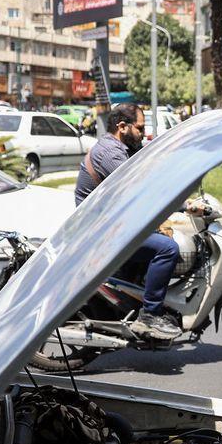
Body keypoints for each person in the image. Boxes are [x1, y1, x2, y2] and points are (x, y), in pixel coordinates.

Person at [74, 102, 181, 340]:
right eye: (140, 129)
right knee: (167, 250)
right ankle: (150, 315)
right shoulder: (111, 153)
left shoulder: (121, 148)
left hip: (109, 226)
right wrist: (184, 204)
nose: (143, 134)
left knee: (157, 240)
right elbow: (138, 188)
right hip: (100, 233)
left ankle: (131, 302)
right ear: (122, 127)